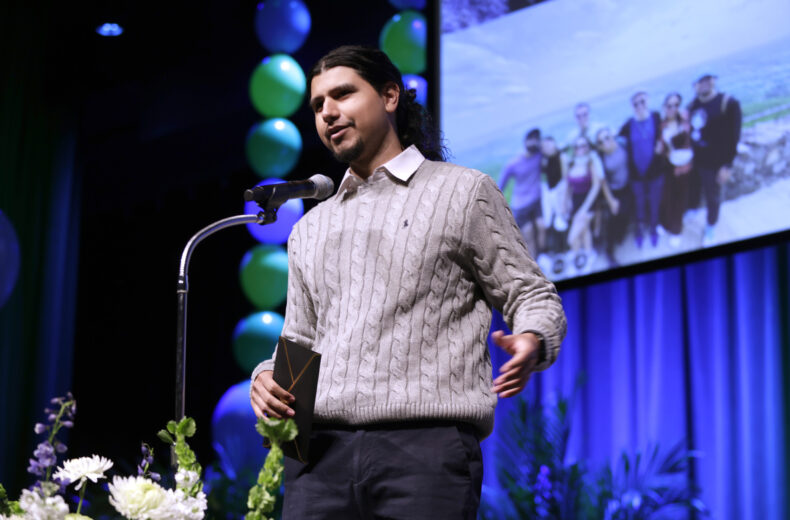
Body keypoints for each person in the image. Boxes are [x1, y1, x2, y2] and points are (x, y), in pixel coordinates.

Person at [248, 45, 567, 520]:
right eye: (317, 105)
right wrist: (267, 376)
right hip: (318, 465)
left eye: (342, 94)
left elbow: (531, 293)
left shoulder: (462, 191)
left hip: (424, 454)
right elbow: (300, 341)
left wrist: (534, 337)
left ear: (390, 96)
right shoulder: (310, 228)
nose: (327, 112)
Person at [687, 73, 742, 246]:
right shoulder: (693, 105)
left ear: (714, 81)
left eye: (707, 79)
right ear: (695, 85)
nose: (704, 84)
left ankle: (710, 227)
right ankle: (693, 209)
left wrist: (727, 165)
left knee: (713, 198)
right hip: (697, 162)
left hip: (716, 164)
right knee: (695, 189)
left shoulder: (729, 103)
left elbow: (735, 137)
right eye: (700, 81)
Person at [618, 91, 667, 248]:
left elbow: (669, 128)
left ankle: (653, 229)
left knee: (654, 202)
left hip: (655, 171)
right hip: (636, 174)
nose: (639, 106)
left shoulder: (656, 117)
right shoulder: (628, 125)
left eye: (642, 102)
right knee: (639, 204)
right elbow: (616, 140)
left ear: (648, 101)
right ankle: (639, 230)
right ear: (632, 106)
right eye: (636, 104)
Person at [499, 128, 545, 258]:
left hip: (537, 202)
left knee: (542, 227)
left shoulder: (539, 155)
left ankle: (543, 256)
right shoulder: (513, 163)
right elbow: (500, 185)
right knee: (528, 235)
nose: (533, 142)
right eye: (531, 139)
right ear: (525, 141)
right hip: (521, 206)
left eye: (536, 139)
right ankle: (535, 264)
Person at [657, 92, 693, 248]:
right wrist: (661, 151)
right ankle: (665, 224)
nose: (672, 108)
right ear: (664, 107)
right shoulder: (661, 126)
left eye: (676, 105)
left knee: (680, 200)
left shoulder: (685, 121)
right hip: (670, 167)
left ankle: (676, 231)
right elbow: (661, 147)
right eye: (669, 105)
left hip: (686, 167)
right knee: (667, 198)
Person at [595, 127, 633, 265]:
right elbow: (603, 182)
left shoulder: (622, 144)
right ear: (599, 146)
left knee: (626, 214)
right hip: (614, 192)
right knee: (613, 219)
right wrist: (611, 201)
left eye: (607, 137)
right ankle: (609, 252)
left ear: (612, 137)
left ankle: (620, 236)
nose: (605, 142)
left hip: (628, 187)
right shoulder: (601, 158)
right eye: (601, 141)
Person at [564, 136, 602, 273]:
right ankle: (588, 254)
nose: (580, 149)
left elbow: (596, 186)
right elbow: (568, 186)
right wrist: (565, 202)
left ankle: (578, 256)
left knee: (571, 238)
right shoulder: (571, 163)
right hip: (575, 202)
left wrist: (584, 208)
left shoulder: (591, 162)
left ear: (588, 147)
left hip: (588, 202)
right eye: (577, 146)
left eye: (583, 145)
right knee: (584, 230)